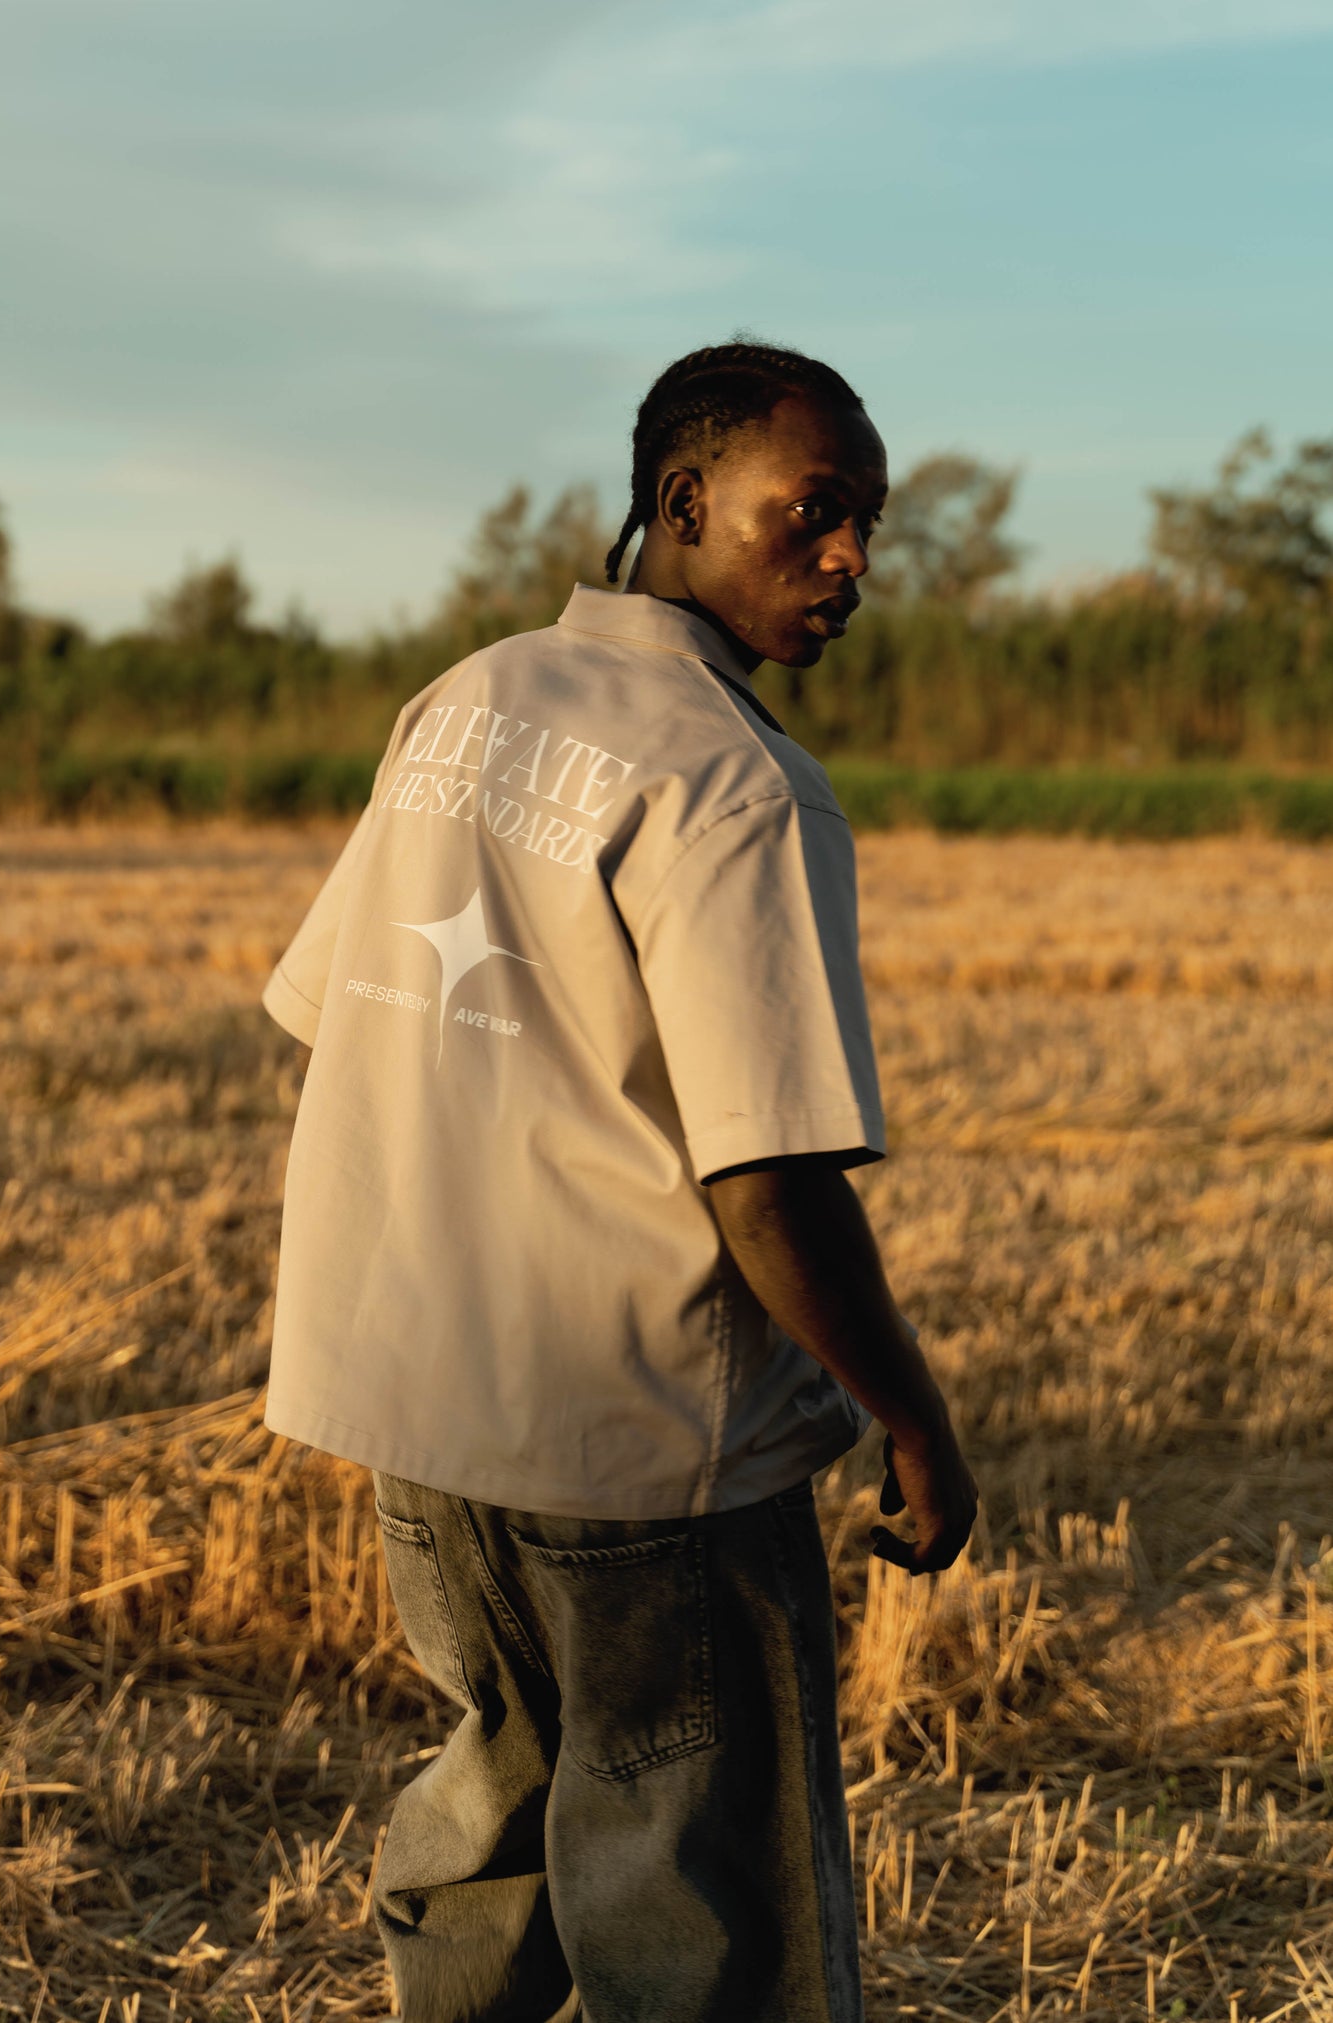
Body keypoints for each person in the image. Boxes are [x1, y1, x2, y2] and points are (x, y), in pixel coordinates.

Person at [260, 340, 978, 2023]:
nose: (852, 560)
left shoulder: (464, 703)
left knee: (492, 1849)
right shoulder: (736, 781)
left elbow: (336, 1018)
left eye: (865, 524)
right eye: (814, 513)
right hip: (641, 1450)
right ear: (680, 500)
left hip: (432, 1430)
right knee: (702, 1924)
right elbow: (769, 1185)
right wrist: (915, 1420)